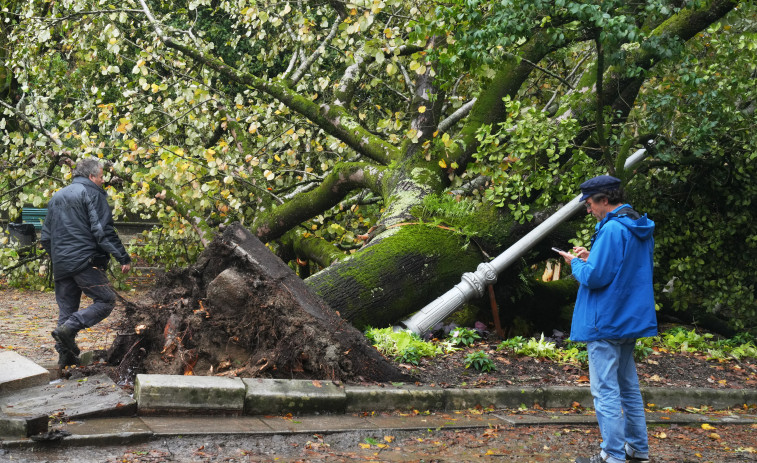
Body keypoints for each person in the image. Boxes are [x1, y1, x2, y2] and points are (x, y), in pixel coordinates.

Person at [556, 175, 657, 463]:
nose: (588, 210)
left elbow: (595, 277)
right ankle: (638, 450)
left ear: (604, 199)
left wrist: (575, 262)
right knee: (628, 389)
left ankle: (612, 456)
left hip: (606, 321)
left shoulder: (613, 229)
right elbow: (625, 267)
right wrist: (592, 256)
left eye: (589, 204)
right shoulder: (638, 225)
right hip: (629, 319)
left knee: (606, 392)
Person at [41, 158, 131, 368]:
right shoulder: (92, 193)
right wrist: (122, 257)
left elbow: (45, 238)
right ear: (91, 176)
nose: (102, 181)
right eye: (101, 177)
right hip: (85, 261)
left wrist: (60, 257)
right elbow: (103, 230)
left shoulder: (57, 196)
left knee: (66, 311)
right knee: (106, 300)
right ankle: (70, 328)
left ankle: (66, 360)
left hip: (62, 264)